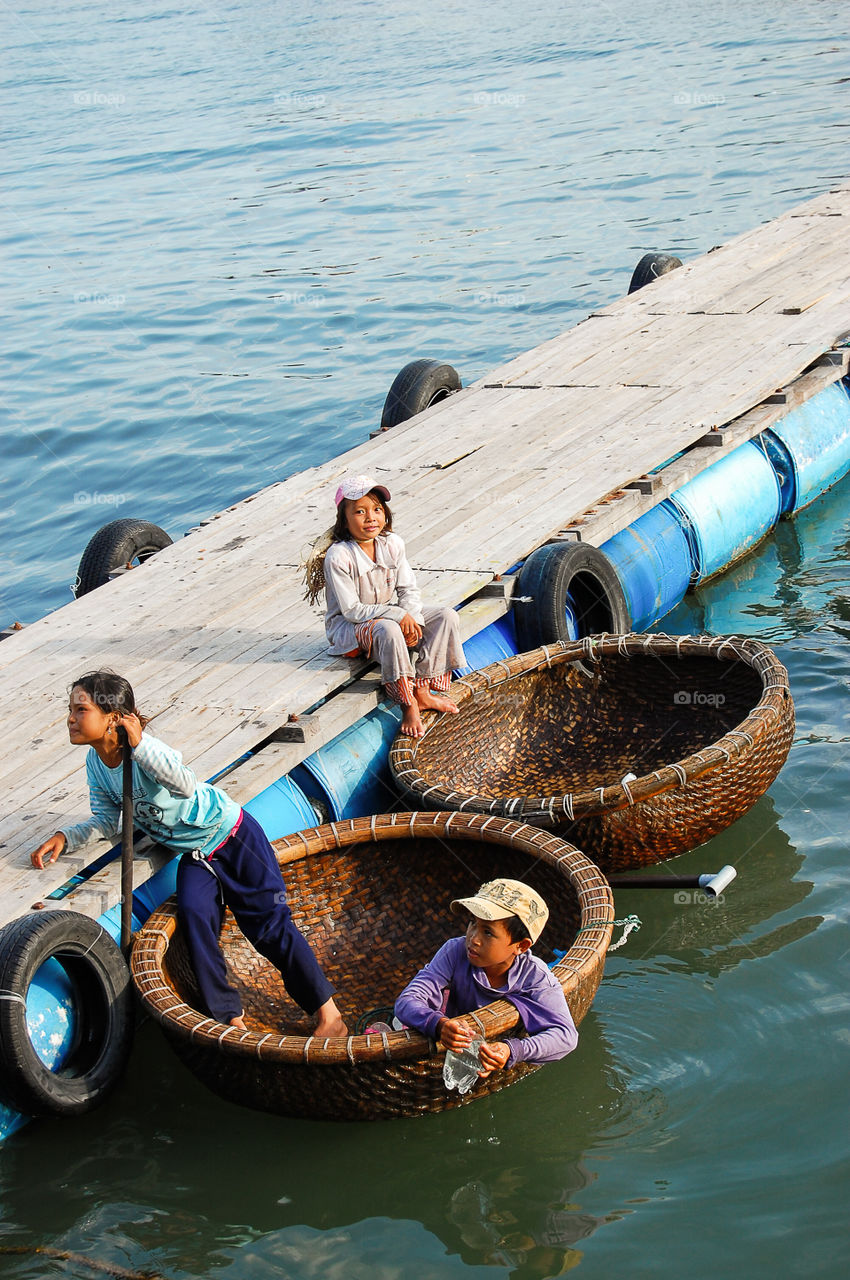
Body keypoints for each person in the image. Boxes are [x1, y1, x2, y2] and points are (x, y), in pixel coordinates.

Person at [30, 670, 347, 1037]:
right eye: (71, 709)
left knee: (269, 927)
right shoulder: (96, 765)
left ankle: (329, 1014)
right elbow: (106, 821)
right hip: (196, 854)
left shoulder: (148, 750)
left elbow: (184, 784)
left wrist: (142, 745)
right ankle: (229, 1016)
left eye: (80, 710)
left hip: (232, 835)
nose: (70, 718)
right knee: (196, 918)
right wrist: (65, 838)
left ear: (114, 718)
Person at [303, 472, 466, 738]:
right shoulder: (339, 555)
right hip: (349, 629)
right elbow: (352, 611)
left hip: (386, 615)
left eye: (377, 509)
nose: (371, 518)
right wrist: (398, 616)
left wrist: (413, 618)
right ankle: (407, 703)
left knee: (446, 616)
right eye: (359, 512)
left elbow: (408, 588)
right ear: (344, 519)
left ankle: (423, 691)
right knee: (389, 630)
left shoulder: (392, 544)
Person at [394, 877, 577, 1077]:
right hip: (455, 1043)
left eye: (488, 932)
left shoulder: (535, 976)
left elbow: (565, 1037)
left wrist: (512, 1050)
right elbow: (407, 1001)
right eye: (472, 923)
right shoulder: (455, 951)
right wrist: (439, 1024)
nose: (473, 938)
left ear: (521, 946)